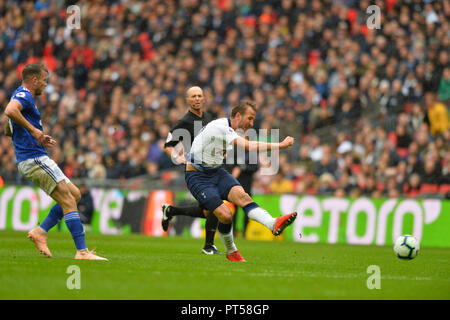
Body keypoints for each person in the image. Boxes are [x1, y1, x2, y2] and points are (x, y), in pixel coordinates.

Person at [4, 63, 107, 261]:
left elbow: (10, 126)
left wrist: (29, 134)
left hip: (34, 156)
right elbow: (10, 111)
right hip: (33, 158)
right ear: (34, 80)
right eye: (43, 80)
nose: (45, 84)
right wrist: (34, 132)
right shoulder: (24, 95)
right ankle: (82, 252)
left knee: (74, 194)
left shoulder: (21, 95)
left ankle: (41, 231)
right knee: (68, 201)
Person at [185, 100, 297, 262]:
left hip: (215, 172)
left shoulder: (228, 130)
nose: (251, 124)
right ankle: (231, 251)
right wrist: (281, 145)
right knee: (225, 214)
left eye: (253, 120)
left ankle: (272, 223)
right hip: (198, 176)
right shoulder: (222, 128)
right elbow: (249, 147)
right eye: (249, 118)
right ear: (238, 115)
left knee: (243, 196)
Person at [161, 86, 222, 255]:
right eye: (193, 96)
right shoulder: (185, 122)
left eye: (199, 96)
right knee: (214, 206)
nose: (196, 99)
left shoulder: (210, 118)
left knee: (208, 210)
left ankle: (171, 211)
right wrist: (178, 158)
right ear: (187, 100)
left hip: (211, 168)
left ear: (204, 99)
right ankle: (208, 246)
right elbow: (168, 145)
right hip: (196, 171)